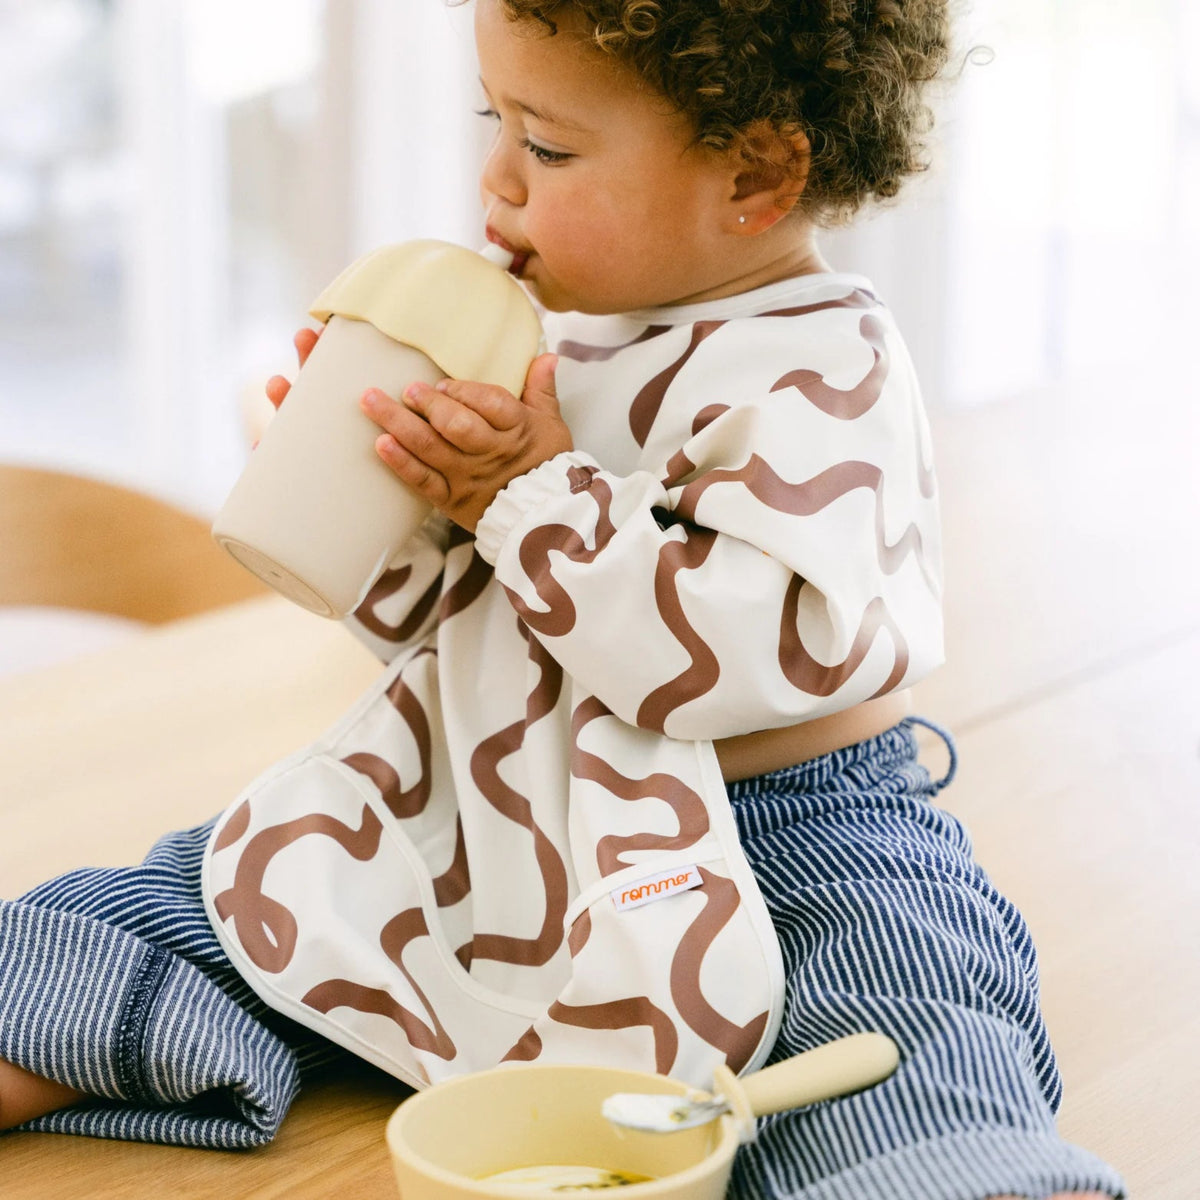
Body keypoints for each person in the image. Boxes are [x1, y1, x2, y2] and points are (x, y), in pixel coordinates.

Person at [0, 1, 1124, 1196]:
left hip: (787, 831)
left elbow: (736, 656)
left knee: (900, 1013)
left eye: (546, 146)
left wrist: (527, 494)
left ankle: (961, 1169)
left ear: (754, 171)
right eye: (498, 119)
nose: (495, 178)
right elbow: (460, 626)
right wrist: (387, 502)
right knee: (204, 894)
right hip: (500, 804)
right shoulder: (556, 344)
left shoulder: (822, 367)